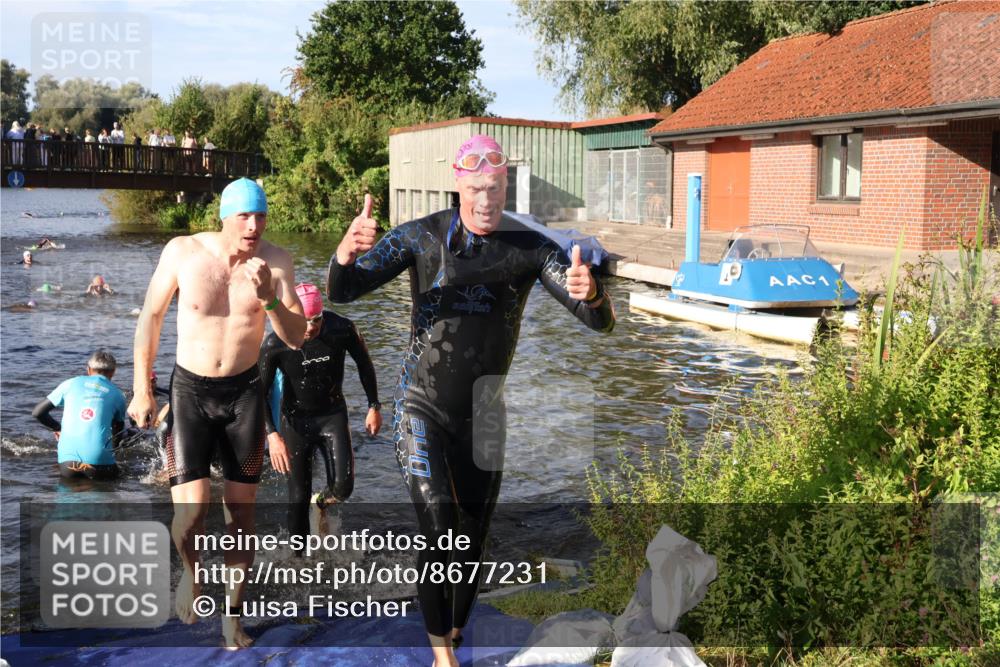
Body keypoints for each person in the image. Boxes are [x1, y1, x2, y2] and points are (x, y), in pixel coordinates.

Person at [327, 135, 615, 666]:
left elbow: (599, 322)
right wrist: (343, 255)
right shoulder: (421, 237)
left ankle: (453, 631)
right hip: (421, 406)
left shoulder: (530, 247)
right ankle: (442, 656)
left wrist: (592, 292)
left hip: (485, 415)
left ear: (506, 184)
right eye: (477, 188)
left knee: (473, 538)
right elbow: (343, 292)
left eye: (497, 188)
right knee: (439, 522)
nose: (487, 200)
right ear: (458, 183)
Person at [127, 177, 306, 648]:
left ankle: (232, 616)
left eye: (261, 216)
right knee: (189, 518)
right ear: (224, 217)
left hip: (244, 396)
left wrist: (269, 299)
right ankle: (191, 573)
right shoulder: (184, 252)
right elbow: (151, 316)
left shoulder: (278, 262)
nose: (253, 226)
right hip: (189, 392)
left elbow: (296, 337)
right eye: (244, 216)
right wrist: (141, 389)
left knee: (239, 518)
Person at [259, 282, 381, 551]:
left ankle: (322, 502)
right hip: (295, 423)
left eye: (316, 320)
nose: (311, 328)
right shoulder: (275, 343)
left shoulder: (342, 329)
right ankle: (299, 560)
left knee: (343, 488)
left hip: (332, 415)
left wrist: (374, 405)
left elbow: (364, 363)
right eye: (304, 321)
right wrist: (273, 435)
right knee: (297, 498)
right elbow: (259, 393)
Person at [32, 350, 127, 480]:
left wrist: (58, 428)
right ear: (113, 372)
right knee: (123, 475)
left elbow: (38, 413)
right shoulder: (118, 395)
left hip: (67, 464)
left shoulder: (69, 383)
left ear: (88, 369)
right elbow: (117, 433)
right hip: (100, 466)